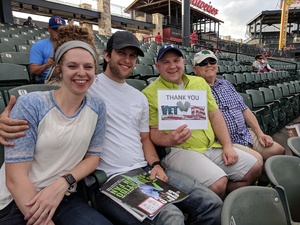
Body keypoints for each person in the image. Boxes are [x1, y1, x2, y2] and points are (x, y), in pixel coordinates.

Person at [0, 31, 223, 225]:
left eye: (132, 56)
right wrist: (4, 119)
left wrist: (155, 164)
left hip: (145, 170)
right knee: (171, 217)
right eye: (121, 53)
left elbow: (145, 139)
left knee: (210, 203)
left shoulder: (137, 97)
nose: (127, 60)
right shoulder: (88, 84)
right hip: (112, 177)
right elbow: (54, 96)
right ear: (106, 56)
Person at [0, 25, 113, 225]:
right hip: (16, 201)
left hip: (63, 195)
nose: (81, 73)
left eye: (88, 67)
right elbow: (15, 180)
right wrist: (43, 221)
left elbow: (93, 158)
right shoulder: (31, 104)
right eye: (72, 66)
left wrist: (64, 182)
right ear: (59, 69)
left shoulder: (98, 107)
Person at [142, 44, 262, 199]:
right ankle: (213, 208)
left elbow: (215, 115)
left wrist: (227, 146)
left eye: (176, 60)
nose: (172, 66)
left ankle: (226, 201)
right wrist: (168, 139)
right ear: (157, 66)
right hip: (179, 150)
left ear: (183, 62)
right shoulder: (149, 93)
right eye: (166, 62)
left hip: (210, 145)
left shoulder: (199, 83)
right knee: (219, 183)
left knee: (254, 168)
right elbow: (152, 131)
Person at [193, 49, 285, 184]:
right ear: (195, 70)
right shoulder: (194, 90)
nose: (208, 65)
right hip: (223, 141)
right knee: (257, 161)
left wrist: (260, 133)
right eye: (203, 63)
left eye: (212, 61)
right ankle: (237, 194)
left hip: (245, 133)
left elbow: (244, 110)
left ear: (216, 65)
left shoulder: (226, 84)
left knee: (278, 150)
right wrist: (226, 145)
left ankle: (262, 184)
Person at [29, 16, 66, 84]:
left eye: (61, 30)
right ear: (49, 28)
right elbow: (33, 71)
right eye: (55, 29)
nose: (58, 32)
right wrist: (46, 65)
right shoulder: (39, 45)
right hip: (49, 80)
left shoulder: (68, 44)